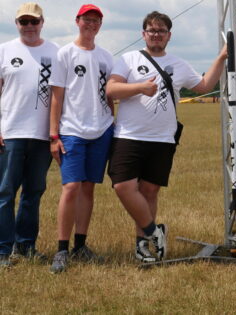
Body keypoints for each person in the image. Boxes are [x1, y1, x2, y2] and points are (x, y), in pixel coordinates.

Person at [106, 11, 227, 263]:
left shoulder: (179, 63)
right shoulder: (128, 59)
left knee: (149, 191)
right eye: (152, 30)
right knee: (123, 186)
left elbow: (203, 86)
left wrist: (223, 57)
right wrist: (140, 87)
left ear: (169, 36)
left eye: (161, 31)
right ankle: (154, 232)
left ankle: (143, 246)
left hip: (162, 138)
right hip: (129, 136)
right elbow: (112, 89)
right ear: (143, 34)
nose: (156, 35)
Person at [49, 4, 114, 273]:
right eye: (86, 19)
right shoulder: (64, 53)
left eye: (96, 20)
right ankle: (61, 250)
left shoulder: (106, 57)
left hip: (101, 130)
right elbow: (57, 96)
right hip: (72, 130)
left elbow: (109, 95)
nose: (91, 24)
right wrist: (54, 135)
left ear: (100, 25)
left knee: (88, 188)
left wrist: (114, 123)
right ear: (77, 21)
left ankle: (81, 246)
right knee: (71, 187)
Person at [0, 2, 58, 267]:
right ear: (17, 24)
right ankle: (3, 250)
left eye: (34, 21)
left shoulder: (55, 52)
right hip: (9, 133)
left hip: (42, 136)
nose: (29, 27)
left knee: (33, 191)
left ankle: (26, 246)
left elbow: (61, 94)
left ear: (42, 22)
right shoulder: (4, 51)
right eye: (24, 22)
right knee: (5, 192)